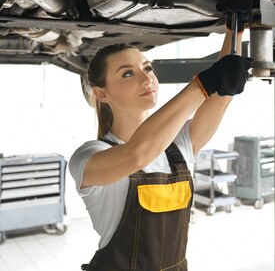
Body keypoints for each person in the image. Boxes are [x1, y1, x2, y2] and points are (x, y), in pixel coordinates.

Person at [69, 18, 252, 270]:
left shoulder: (179, 147)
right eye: (128, 73)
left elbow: (221, 98)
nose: (147, 78)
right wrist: (201, 85)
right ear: (102, 93)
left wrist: (235, 31)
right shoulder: (89, 156)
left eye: (148, 68)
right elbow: (137, 155)